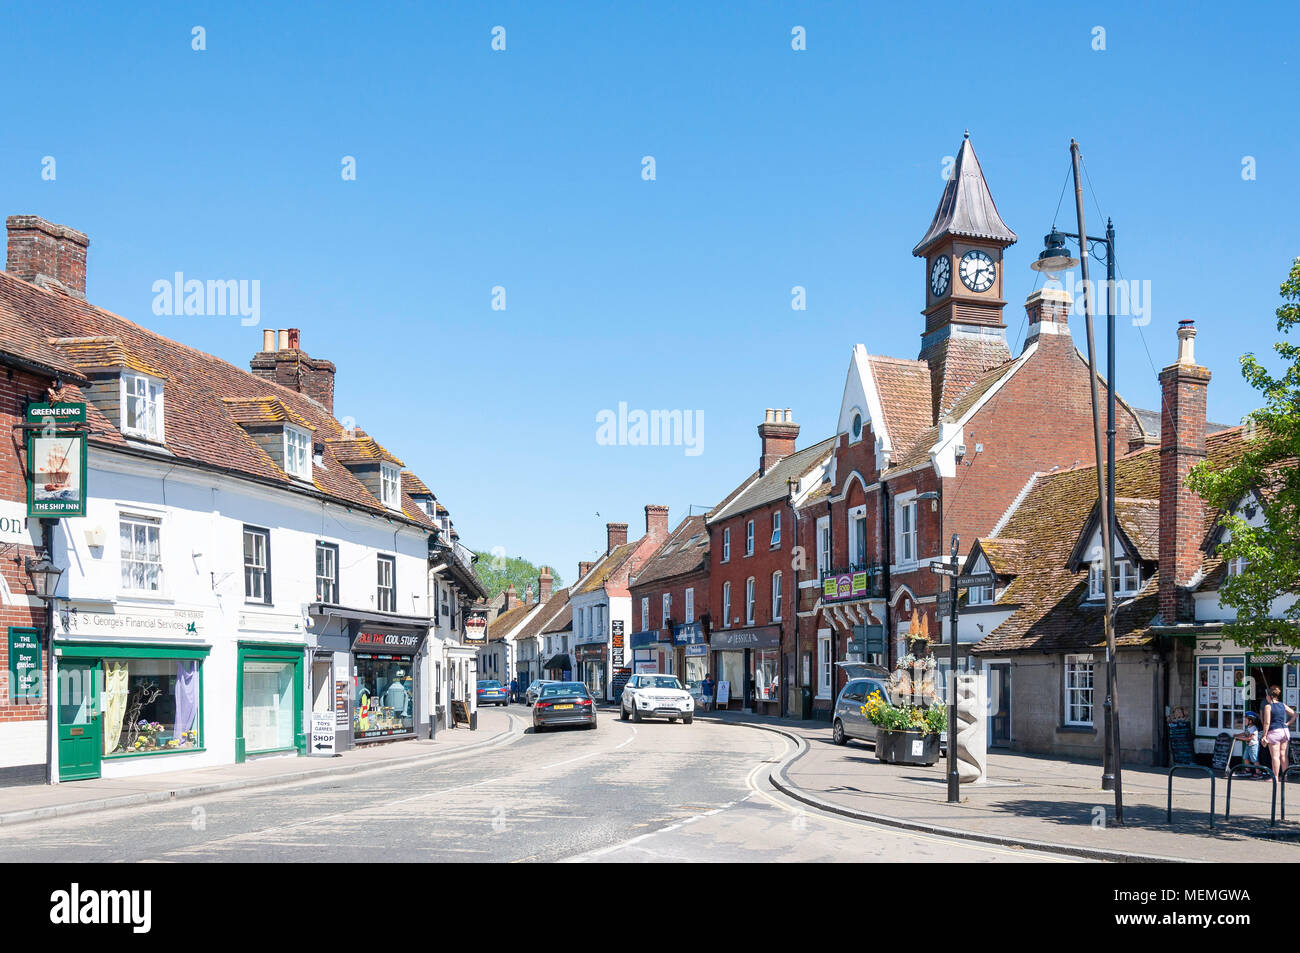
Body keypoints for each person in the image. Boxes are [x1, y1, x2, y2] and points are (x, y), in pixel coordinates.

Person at [1260, 685, 1296, 780]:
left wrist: (1264, 735)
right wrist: (1287, 723)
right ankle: (1285, 776)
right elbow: (1294, 714)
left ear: (1269, 696)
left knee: (1275, 756)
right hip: (1284, 731)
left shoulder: (1268, 706)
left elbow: (1267, 722)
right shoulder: (1282, 705)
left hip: (1274, 731)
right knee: (1283, 755)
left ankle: (1275, 777)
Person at [1233, 710, 1264, 777]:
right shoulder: (1248, 727)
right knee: (1245, 758)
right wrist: (1237, 735)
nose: (1244, 721)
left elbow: (1249, 738)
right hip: (1248, 745)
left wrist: (1239, 738)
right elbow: (1245, 733)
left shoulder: (1254, 728)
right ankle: (1247, 770)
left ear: (1251, 721)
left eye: (1246, 719)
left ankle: (1258, 772)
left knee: (1254, 759)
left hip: (1253, 746)